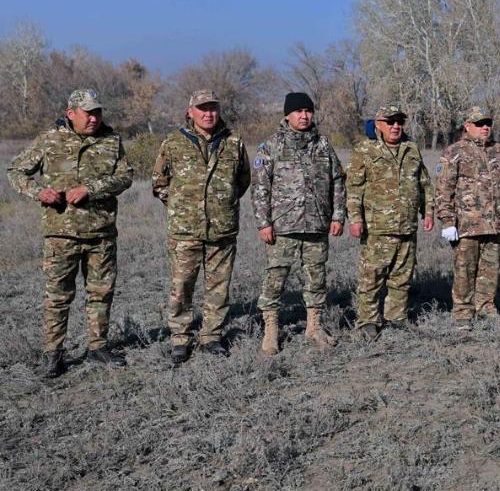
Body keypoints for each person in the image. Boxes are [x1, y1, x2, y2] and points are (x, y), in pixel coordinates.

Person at [7, 89, 133, 378]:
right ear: (71, 113)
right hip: (60, 234)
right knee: (58, 296)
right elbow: (16, 170)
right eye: (87, 113)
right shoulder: (50, 139)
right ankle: (53, 354)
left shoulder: (111, 141)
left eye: (97, 112)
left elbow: (125, 176)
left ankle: (98, 347)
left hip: (101, 233)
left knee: (101, 293)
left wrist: (91, 189)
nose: (93, 118)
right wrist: (40, 192)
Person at [152, 90, 251, 363]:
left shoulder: (233, 142)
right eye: (202, 108)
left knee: (219, 286)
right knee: (182, 285)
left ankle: (211, 336)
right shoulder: (173, 143)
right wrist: (181, 208)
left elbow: (242, 180)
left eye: (213, 108)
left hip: (222, 229)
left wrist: (222, 204)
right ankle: (180, 338)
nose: (208, 114)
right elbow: (159, 183)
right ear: (190, 111)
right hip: (185, 232)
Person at [251, 92, 346, 355]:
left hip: (317, 225)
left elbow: (338, 180)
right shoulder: (271, 146)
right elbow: (260, 187)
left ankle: (314, 327)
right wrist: (263, 223)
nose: (304, 116)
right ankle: (271, 331)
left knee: (316, 278)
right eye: (298, 111)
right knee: (275, 279)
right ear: (287, 115)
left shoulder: (323, 145)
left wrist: (338, 216)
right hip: (282, 227)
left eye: (308, 111)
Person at [346, 105, 434, 340]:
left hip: (406, 226)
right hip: (377, 228)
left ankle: (396, 317)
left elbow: (424, 184)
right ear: (378, 125)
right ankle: (368, 320)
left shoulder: (411, 149)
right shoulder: (364, 150)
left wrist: (428, 212)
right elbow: (353, 189)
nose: (396, 126)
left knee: (402, 276)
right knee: (371, 277)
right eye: (390, 121)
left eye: (400, 121)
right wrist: (355, 219)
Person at [435, 106, 500, 328]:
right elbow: (444, 189)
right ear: (467, 126)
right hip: (466, 225)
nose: (485, 127)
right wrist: (447, 221)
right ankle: (462, 311)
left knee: (490, 269)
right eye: (479, 124)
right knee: (465, 269)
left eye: (488, 124)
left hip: (496, 224)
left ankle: (486, 306)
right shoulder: (454, 152)